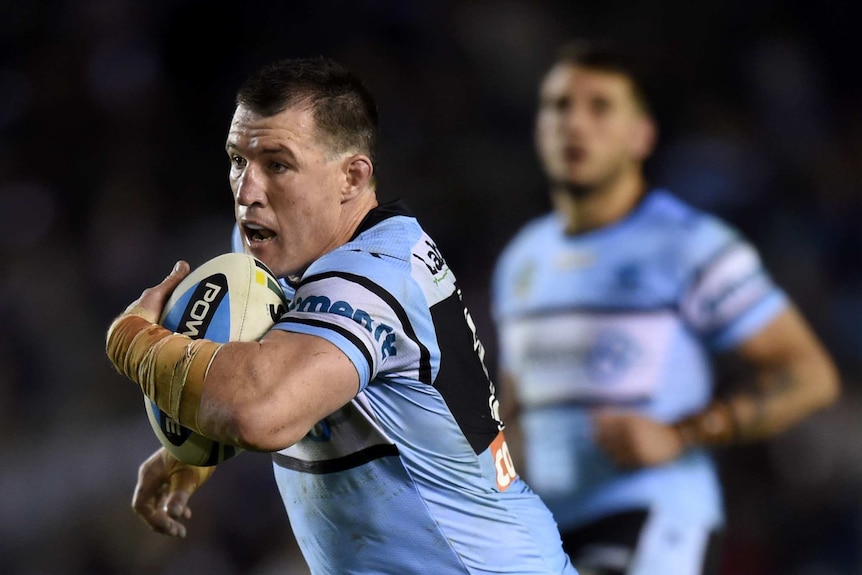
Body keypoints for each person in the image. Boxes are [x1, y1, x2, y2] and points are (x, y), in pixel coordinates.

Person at [104, 56, 577, 575]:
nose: (246, 191)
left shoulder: (376, 277)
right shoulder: (276, 250)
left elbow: (260, 411)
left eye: (277, 165)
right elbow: (276, 369)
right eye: (238, 160)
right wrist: (192, 448)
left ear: (351, 177)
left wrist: (132, 342)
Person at [489, 39, 840, 575]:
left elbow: (809, 374)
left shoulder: (688, 244)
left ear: (642, 135)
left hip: (655, 516)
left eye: (600, 107)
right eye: (559, 106)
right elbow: (516, 406)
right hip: (546, 531)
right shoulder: (522, 259)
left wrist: (683, 434)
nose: (574, 124)